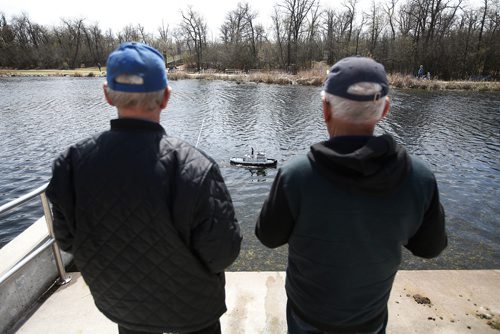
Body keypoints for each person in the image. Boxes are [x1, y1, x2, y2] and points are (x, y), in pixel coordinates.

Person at [46, 42, 242, 334]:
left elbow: (67, 240)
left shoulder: (70, 164)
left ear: (107, 94)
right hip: (193, 312)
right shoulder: (196, 167)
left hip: (124, 307)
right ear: (166, 96)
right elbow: (223, 253)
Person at [255, 56, 447, 334]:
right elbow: (430, 248)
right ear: (385, 110)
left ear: (325, 109)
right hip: (369, 320)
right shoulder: (419, 177)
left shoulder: (295, 175)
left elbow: (268, 237)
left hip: (306, 317)